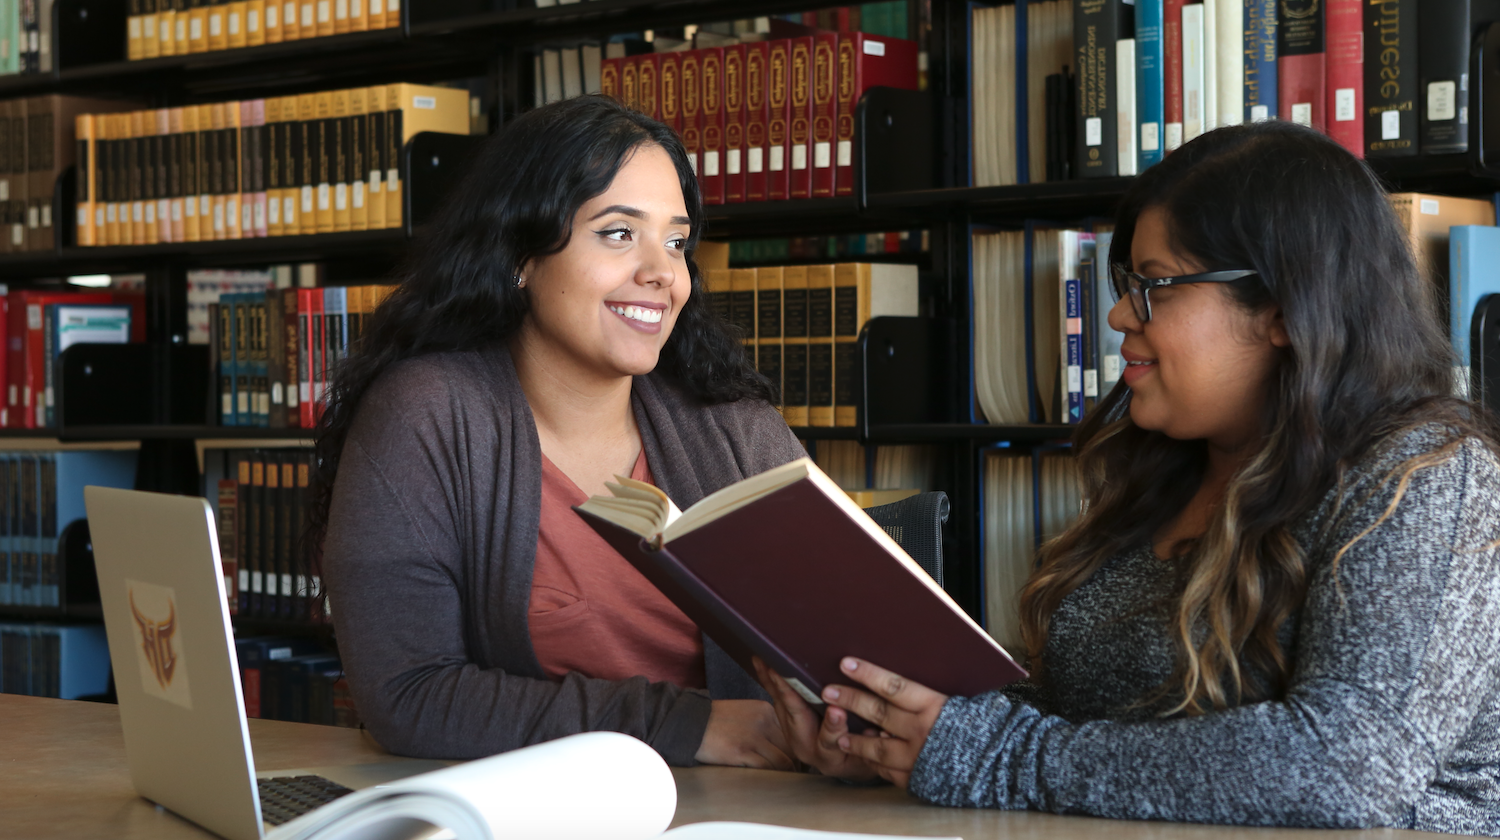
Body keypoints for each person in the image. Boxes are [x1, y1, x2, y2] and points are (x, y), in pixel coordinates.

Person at [755, 120, 1500, 834]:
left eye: (1154, 284)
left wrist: (988, 753)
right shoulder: (1164, 468)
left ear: (1281, 307)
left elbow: (1351, 766)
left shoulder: (1426, 477)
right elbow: (1089, 727)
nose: (1117, 314)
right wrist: (901, 734)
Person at [312, 95, 800, 770]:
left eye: (677, 240)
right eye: (619, 233)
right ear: (521, 253)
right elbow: (407, 695)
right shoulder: (426, 416)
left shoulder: (738, 433)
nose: (663, 272)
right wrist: (693, 728)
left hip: (757, 811)